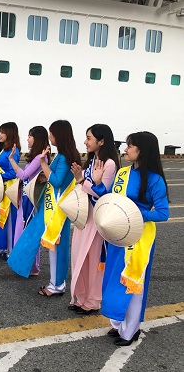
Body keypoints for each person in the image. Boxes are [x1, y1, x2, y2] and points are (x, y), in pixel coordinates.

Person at [91, 131, 169, 346]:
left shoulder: (154, 179)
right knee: (114, 279)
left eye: (130, 146)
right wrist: (97, 185)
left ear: (141, 150)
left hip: (139, 238)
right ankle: (118, 324)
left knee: (133, 284)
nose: (125, 149)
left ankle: (130, 330)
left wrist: (135, 213)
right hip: (118, 235)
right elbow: (111, 199)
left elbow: (163, 214)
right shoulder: (123, 173)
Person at [9, 120, 81, 297]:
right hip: (55, 207)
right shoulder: (65, 154)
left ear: (59, 135)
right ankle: (56, 283)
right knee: (55, 245)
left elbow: (56, 181)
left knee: (55, 246)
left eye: (51, 133)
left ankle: (56, 285)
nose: (49, 137)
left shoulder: (64, 157)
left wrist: (43, 164)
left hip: (55, 209)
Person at [69, 124, 119, 315]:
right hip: (84, 217)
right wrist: (80, 179)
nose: (85, 142)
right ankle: (80, 296)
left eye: (89, 138)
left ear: (101, 141)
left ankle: (92, 301)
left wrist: (83, 180)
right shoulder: (92, 161)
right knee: (79, 257)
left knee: (93, 260)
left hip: (97, 219)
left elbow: (103, 195)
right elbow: (85, 187)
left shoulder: (109, 164)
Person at [7, 126, 50, 275]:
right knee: (25, 231)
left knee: (27, 232)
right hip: (28, 197)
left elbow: (24, 175)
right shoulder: (38, 156)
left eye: (30, 136)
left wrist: (11, 160)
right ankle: (28, 265)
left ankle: (31, 266)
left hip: (31, 200)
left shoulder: (39, 157)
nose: (27, 139)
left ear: (36, 139)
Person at [0, 122, 21, 259]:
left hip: (8, 189)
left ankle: (9, 249)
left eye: (2, 132)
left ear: (9, 133)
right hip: (0, 188)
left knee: (8, 218)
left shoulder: (14, 151)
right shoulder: (3, 149)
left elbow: (14, 172)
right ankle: (1, 247)